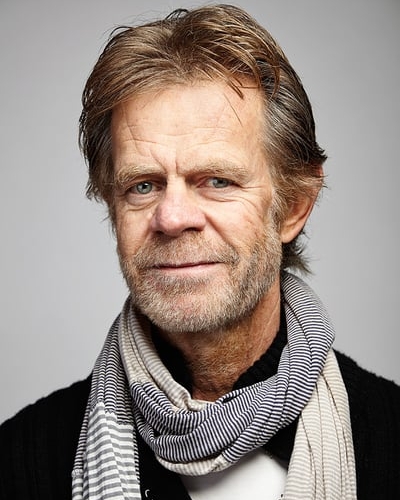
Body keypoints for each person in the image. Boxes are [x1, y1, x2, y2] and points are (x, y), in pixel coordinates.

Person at [1, 4, 399, 499]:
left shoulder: (390, 440)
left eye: (216, 181)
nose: (171, 218)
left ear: (295, 206)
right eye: (143, 186)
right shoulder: (22, 463)